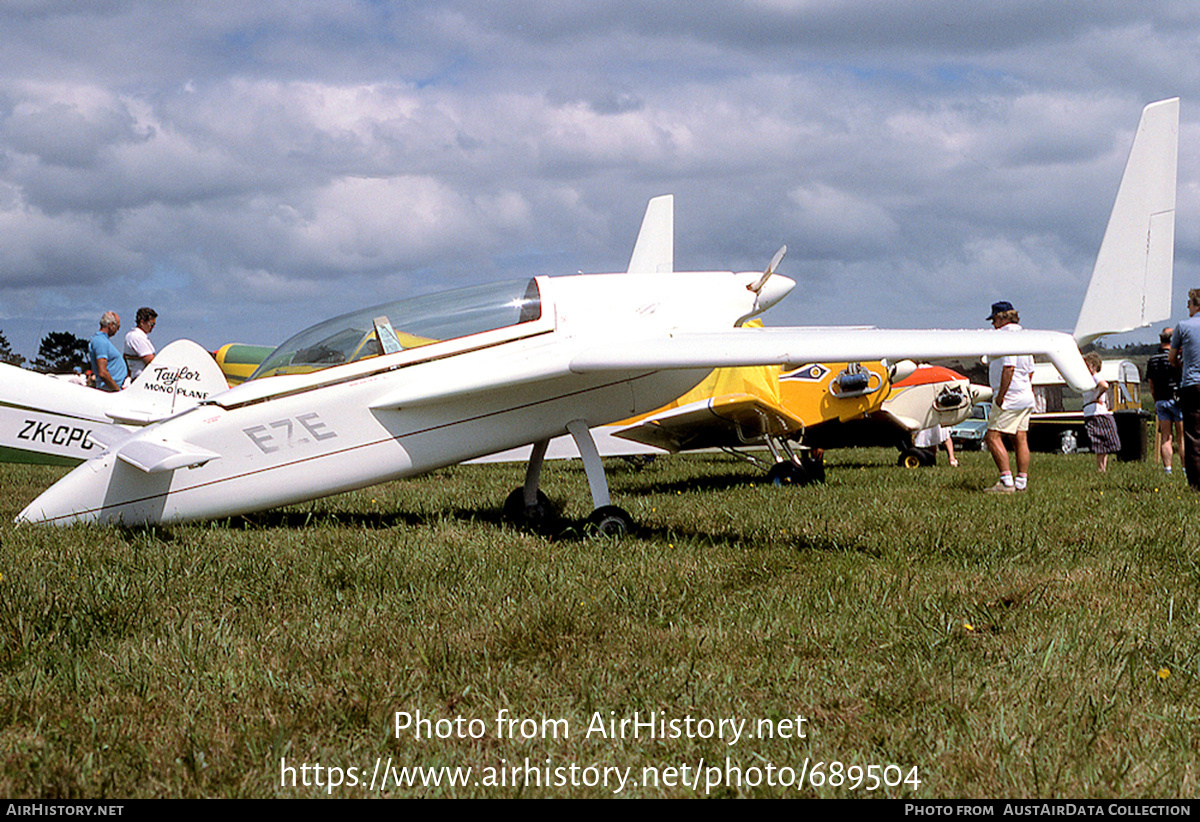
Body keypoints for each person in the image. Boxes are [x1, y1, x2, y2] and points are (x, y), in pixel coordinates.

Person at [983, 301, 1035, 493]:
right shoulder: (1025, 337)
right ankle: (1022, 481)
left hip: (1009, 398)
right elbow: (1030, 371)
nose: (993, 324)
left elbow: (1009, 367)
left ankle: (1006, 481)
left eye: (995, 319)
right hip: (1025, 396)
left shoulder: (1005, 337)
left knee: (992, 437)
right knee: (1020, 437)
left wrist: (1001, 396)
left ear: (1002, 318)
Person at [1170, 290, 1200, 489]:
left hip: (1192, 384)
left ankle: (1196, 483)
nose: (1187, 306)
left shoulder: (1182, 326)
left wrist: (1182, 366)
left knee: (1193, 436)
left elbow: (1171, 358)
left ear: (1196, 304)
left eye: (1189, 302)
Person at [1146, 327, 1182, 474]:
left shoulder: (1152, 360)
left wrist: (1155, 401)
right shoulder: (1176, 358)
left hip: (1160, 400)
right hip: (1177, 399)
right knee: (1181, 438)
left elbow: (1151, 385)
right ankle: (1185, 469)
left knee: (1165, 437)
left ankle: (1168, 468)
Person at [1081, 352, 1120, 472]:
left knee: (1101, 443)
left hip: (1096, 411)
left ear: (1092, 365)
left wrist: (1097, 396)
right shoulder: (1090, 378)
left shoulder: (1095, 376)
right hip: (1096, 412)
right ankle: (1101, 468)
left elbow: (1104, 385)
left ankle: (1101, 468)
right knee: (1101, 444)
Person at [88, 311, 127, 392]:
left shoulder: (103, 340)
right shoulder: (100, 341)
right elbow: (102, 372)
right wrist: (116, 389)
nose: (118, 330)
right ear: (111, 325)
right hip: (110, 390)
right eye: (118, 326)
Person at [123, 306, 157, 380]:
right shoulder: (137, 337)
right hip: (141, 379)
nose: (153, 326)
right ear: (142, 322)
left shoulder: (131, 336)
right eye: (151, 324)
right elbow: (151, 361)